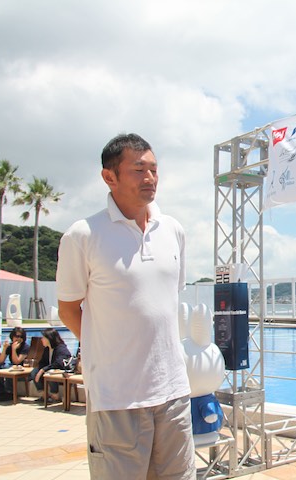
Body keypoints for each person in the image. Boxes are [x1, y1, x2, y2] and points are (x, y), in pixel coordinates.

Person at [56, 133, 195, 478]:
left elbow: (165, 301)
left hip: (173, 393)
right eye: (138, 170)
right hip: (116, 397)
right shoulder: (83, 235)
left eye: (154, 169)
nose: (150, 178)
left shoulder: (173, 230)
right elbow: (68, 309)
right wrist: (106, 347)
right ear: (110, 176)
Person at [31, 328, 72, 402]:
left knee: (50, 373)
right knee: (34, 372)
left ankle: (55, 395)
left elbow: (58, 363)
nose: (41, 339)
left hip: (62, 371)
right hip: (50, 369)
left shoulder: (61, 348)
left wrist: (43, 370)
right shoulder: (47, 349)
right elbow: (42, 362)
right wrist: (40, 370)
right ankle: (44, 395)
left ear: (49, 338)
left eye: (43, 338)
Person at [0, 327, 30, 399]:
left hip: (22, 369)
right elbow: (1, 361)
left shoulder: (25, 347)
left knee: (10, 371)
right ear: (12, 336)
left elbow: (16, 361)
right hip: (12, 366)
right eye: (17, 336)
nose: (18, 338)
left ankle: (10, 393)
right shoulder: (10, 346)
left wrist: (14, 350)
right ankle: (0, 392)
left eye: (21, 337)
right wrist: (4, 348)